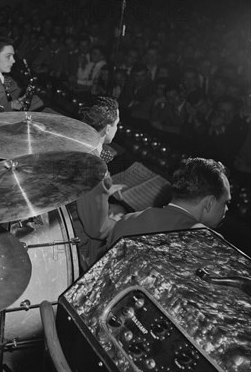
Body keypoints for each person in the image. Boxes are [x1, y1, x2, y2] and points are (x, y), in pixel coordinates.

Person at [103, 158, 231, 251]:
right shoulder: (211, 244)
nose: (226, 209)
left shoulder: (126, 221)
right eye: (225, 202)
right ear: (209, 203)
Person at [71, 96, 126, 270]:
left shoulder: (75, 143)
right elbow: (97, 229)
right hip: (77, 237)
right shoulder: (95, 168)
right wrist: (119, 222)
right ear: (108, 128)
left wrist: (104, 192)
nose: (117, 128)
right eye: (117, 124)